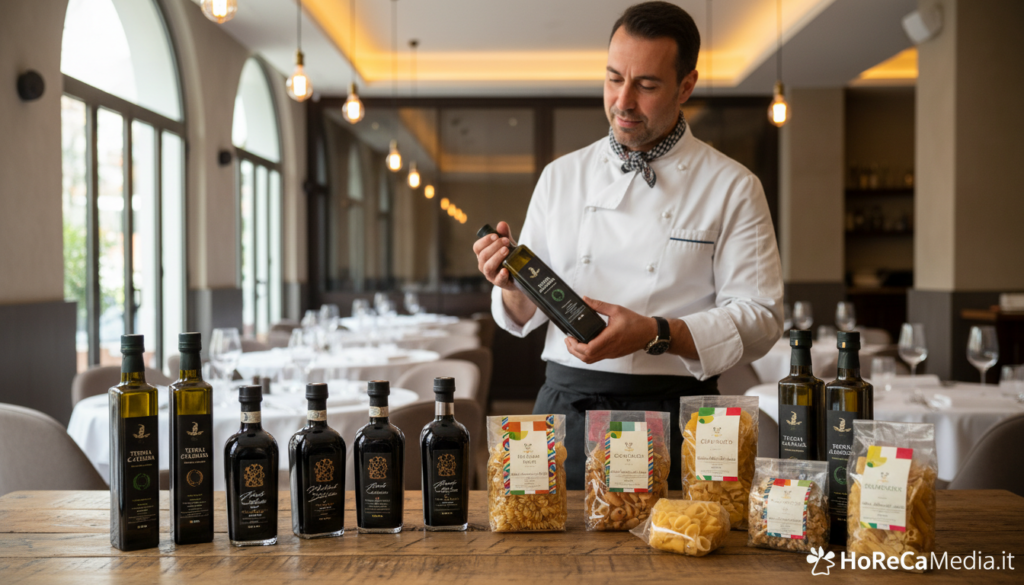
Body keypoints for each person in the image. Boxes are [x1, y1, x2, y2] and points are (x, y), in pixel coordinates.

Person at [473, 1, 784, 490]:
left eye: (647, 85)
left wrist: (654, 332)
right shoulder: (561, 177)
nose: (623, 101)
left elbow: (762, 319)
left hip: (679, 416)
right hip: (566, 409)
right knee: (543, 557)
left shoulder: (733, 186)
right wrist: (509, 282)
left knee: (686, 557)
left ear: (686, 86)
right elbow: (524, 313)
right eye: (614, 78)